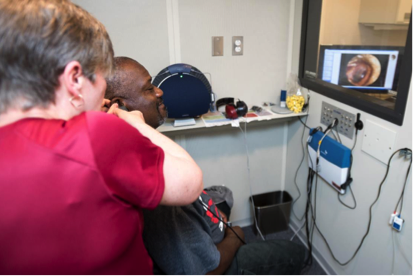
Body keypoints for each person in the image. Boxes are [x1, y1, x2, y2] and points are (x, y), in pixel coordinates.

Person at [0, 1, 203, 275]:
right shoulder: (95, 135)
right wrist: (137, 126)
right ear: (74, 79)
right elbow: (190, 183)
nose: (105, 95)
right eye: (100, 79)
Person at [105, 57, 306, 276]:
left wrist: (214, 213)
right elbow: (203, 272)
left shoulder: (138, 149)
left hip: (206, 231)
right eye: (148, 88)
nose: (159, 91)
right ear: (123, 106)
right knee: (297, 254)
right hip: (215, 264)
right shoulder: (155, 185)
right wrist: (234, 236)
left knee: (223, 195)